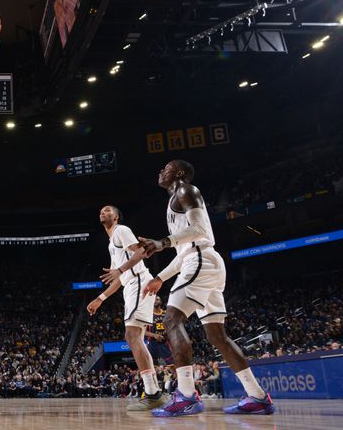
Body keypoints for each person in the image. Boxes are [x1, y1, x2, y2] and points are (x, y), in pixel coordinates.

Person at [128, 160, 275, 416]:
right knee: (218, 336)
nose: (161, 171)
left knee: (171, 320)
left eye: (167, 168)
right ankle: (258, 396)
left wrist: (162, 243)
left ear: (180, 173)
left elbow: (200, 231)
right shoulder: (175, 200)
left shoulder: (186, 190)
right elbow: (184, 250)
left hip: (201, 261)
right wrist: (160, 277)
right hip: (203, 262)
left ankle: (186, 395)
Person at [88, 205, 165, 410]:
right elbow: (119, 278)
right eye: (101, 210)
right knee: (135, 338)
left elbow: (140, 252)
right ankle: (154, 392)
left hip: (138, 281)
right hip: (131, 284)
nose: (103, 212)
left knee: (132, 336)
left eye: (108, 210)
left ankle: (153, 393)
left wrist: (121, 269)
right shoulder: (112, 243)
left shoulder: (121, 230)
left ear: (116, 216)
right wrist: (100, 298)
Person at [145, 296, 174, 392]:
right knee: (150, 368)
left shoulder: (166, 314)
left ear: (160, 301)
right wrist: (154, 335)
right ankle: (152, 389)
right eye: (153, 299)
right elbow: (142, 331)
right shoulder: (148, 315)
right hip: (152, 343)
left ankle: (180, 387)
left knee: (173, 365)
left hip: (165, 343)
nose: (155, 300)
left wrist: (167, 333)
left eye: (157, 298)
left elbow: (172, 327)